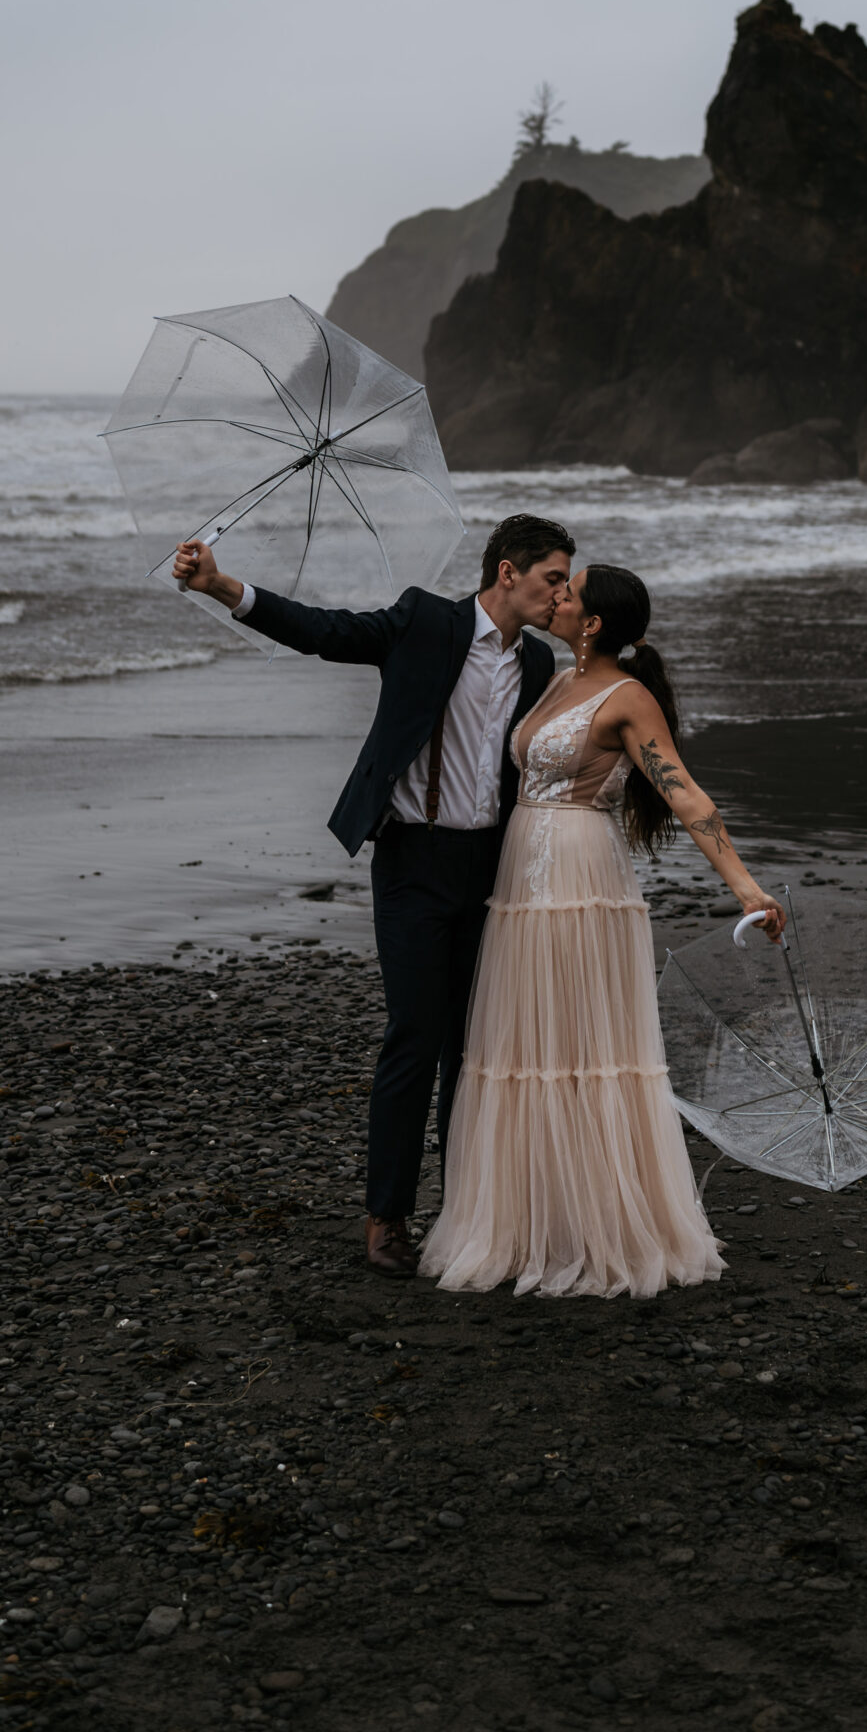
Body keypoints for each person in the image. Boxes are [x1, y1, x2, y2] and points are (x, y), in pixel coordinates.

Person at [171, 513, 574, 1276]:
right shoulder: (425, 620)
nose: (560, 593)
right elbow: (326, 632)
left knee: (475, 1049)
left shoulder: (539, 663)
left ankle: (467, 1209)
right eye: (551, 578)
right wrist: (223, 586)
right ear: (507, 573)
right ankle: (385, 1218)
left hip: (492, 868)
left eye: (563, 582)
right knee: (414, 1038)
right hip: (412, 862)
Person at [419, 564, 783, 1301]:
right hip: (522, 874)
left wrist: (744, 886)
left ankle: (595, 1225)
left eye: (570, 593)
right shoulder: (555, 678)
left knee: (577, 1042)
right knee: (525, 1040)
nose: (555, 598)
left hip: (579, 879)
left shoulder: (627, 697)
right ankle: (531, 1218)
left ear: (592, 625)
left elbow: (682, 791)